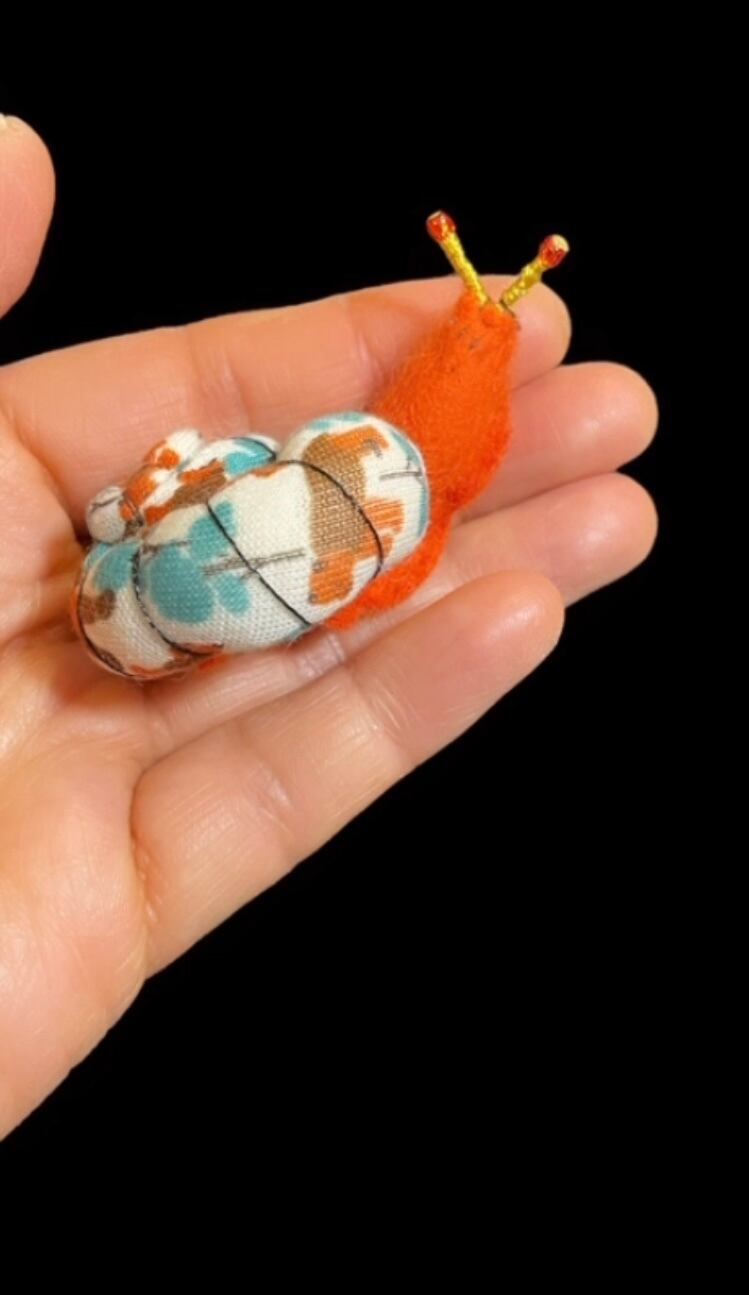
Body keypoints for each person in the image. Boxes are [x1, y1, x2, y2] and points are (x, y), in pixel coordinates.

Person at [0, 116, 658, 1136]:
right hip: (290, 540)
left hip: (265, 542)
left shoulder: (195, 565)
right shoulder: (309, 540)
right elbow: (244, 469)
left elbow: (220, 462)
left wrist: (179, 485)